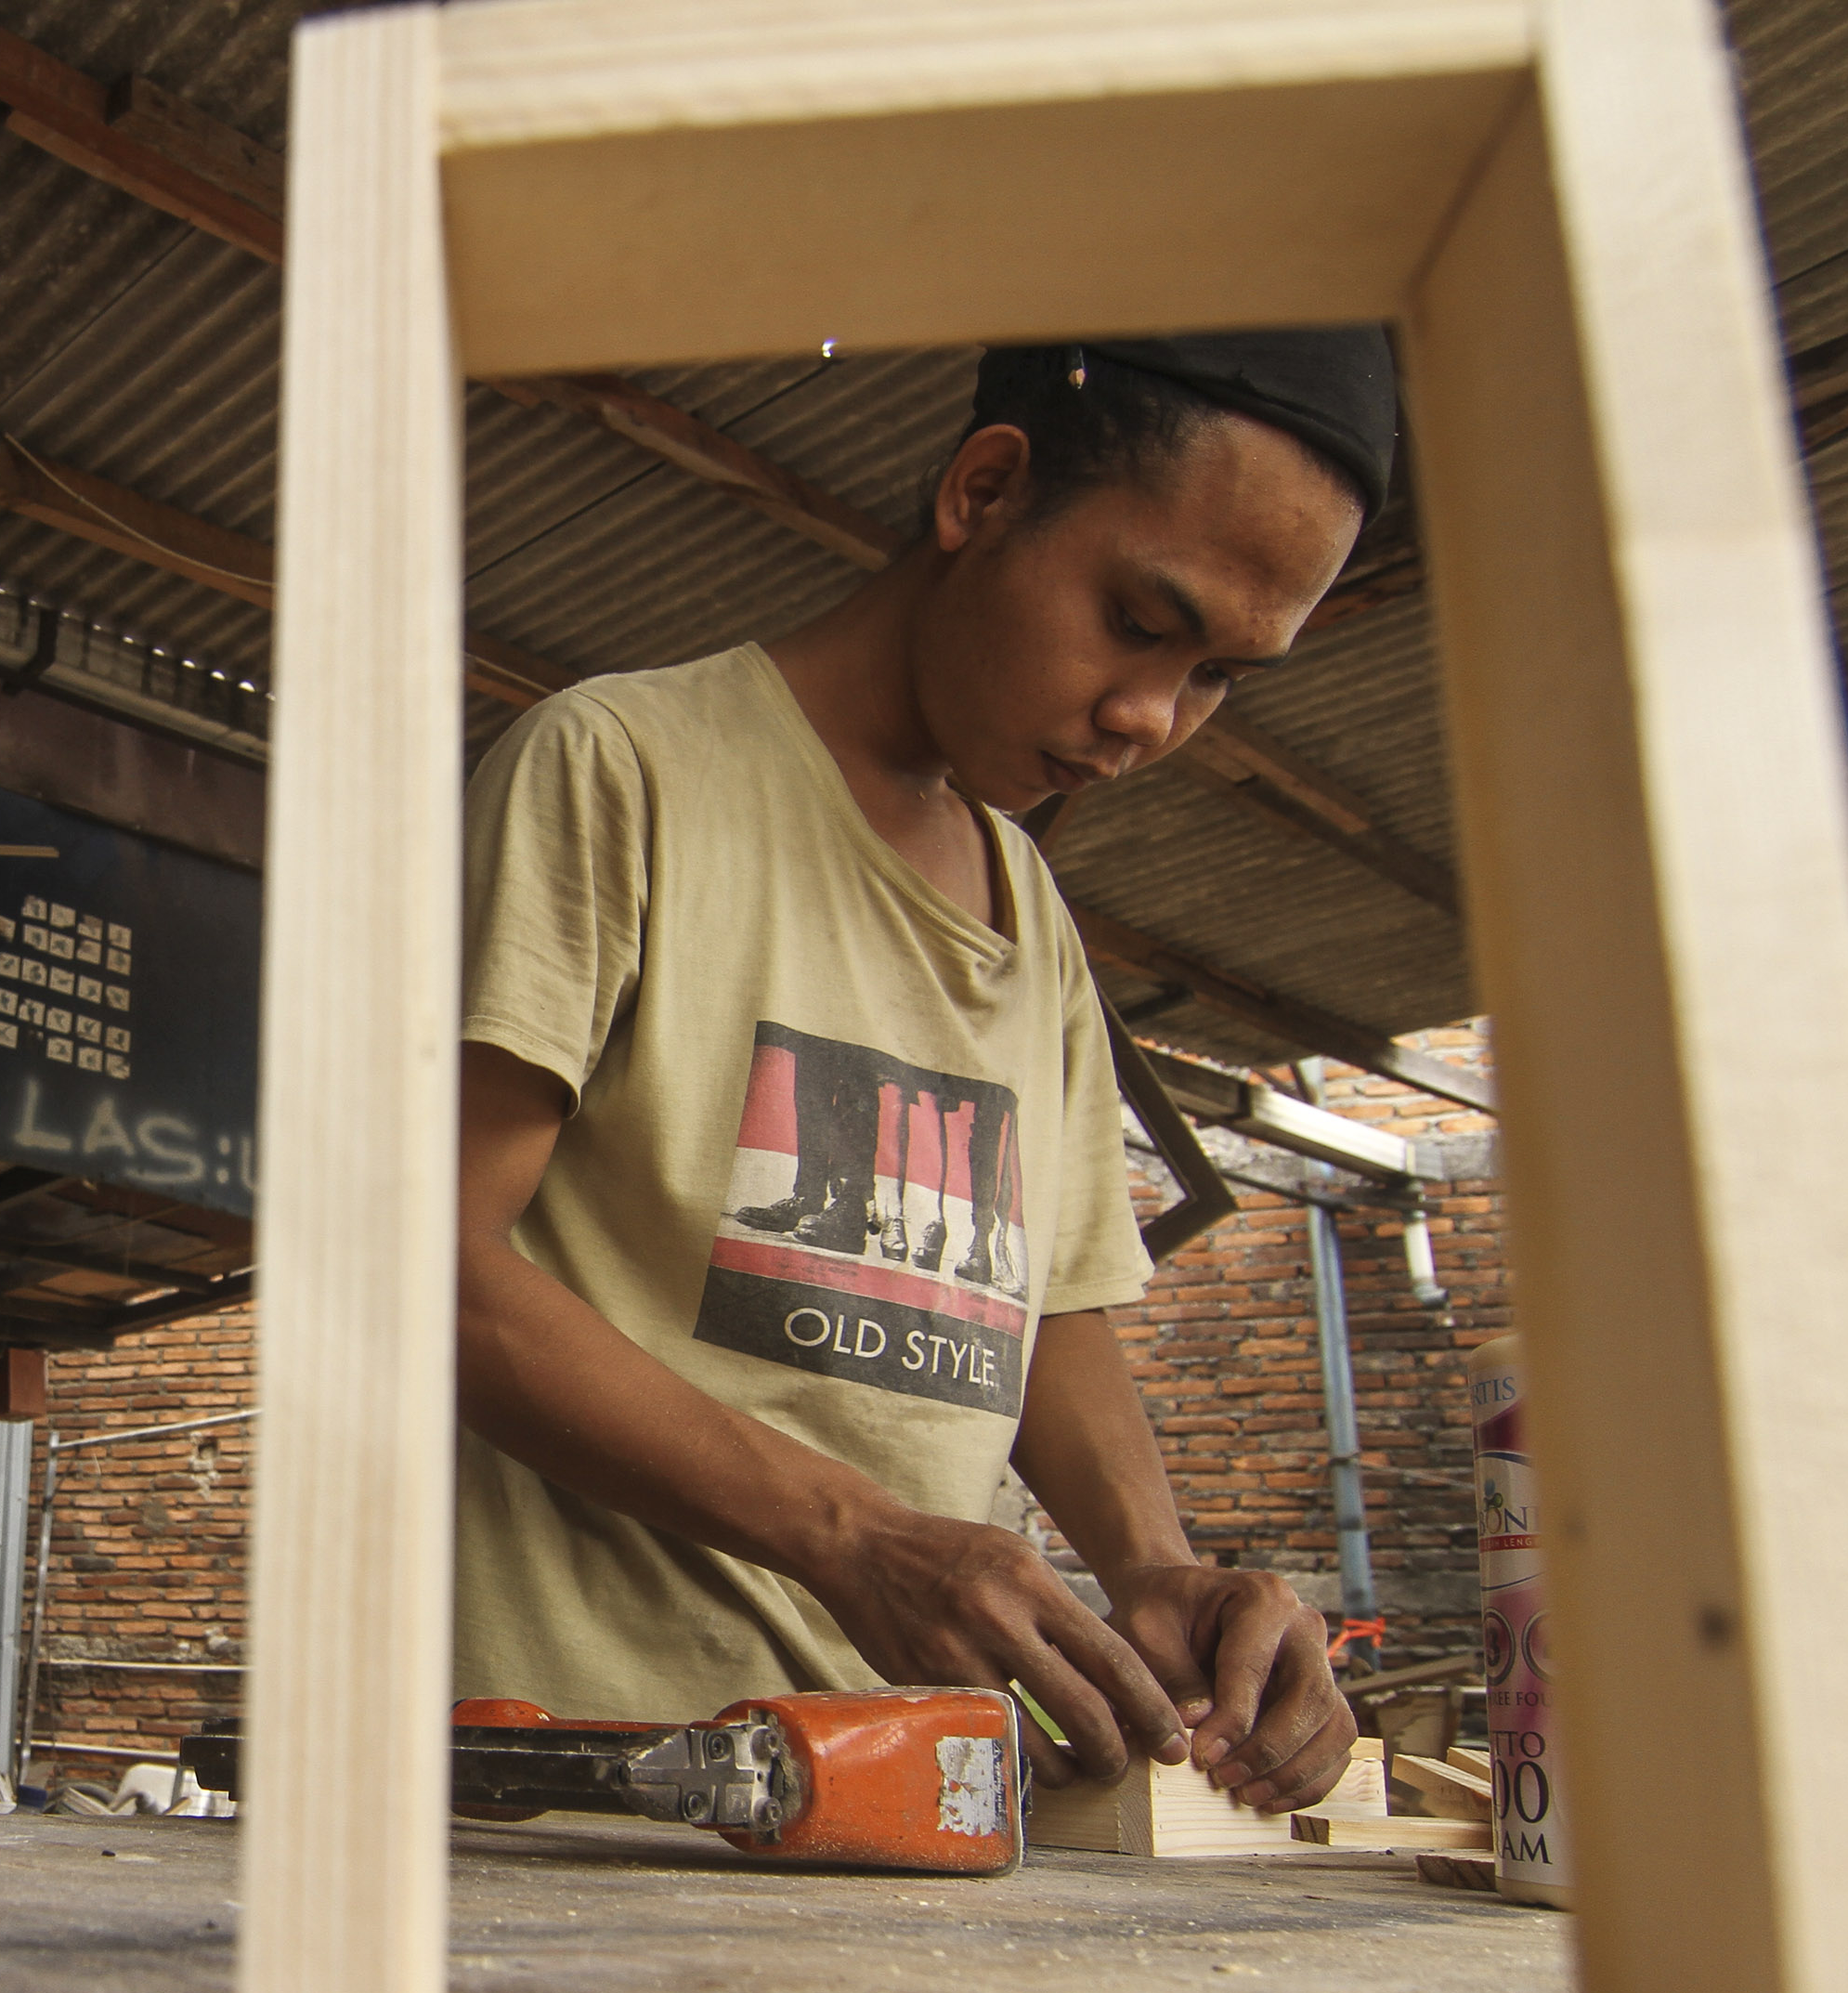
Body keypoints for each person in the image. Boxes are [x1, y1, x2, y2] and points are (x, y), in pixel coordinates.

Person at [454, 330, 1382, 1813]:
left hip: (900, 1801)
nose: (1155, 718)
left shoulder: (1038, 924)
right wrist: (851, 1534)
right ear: (987, 490)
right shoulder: (623, 771)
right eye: (1141, 620)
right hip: (589, 1790)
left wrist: (1157, 1570)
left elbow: (1047, 1312)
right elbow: (425, 1266)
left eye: (1216, 676)